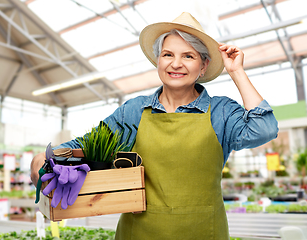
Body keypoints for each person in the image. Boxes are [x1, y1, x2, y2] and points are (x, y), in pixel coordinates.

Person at [31, 12, 278, 239]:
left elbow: (264, 129)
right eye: (168, 54)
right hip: (139, 233)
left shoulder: (220, 111)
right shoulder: (134, 111)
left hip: (203, 232)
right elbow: (86, 145)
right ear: (158, 61)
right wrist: (43, 158)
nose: (176, 64)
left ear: (203, 66)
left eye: (188, 56)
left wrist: (236, 71)